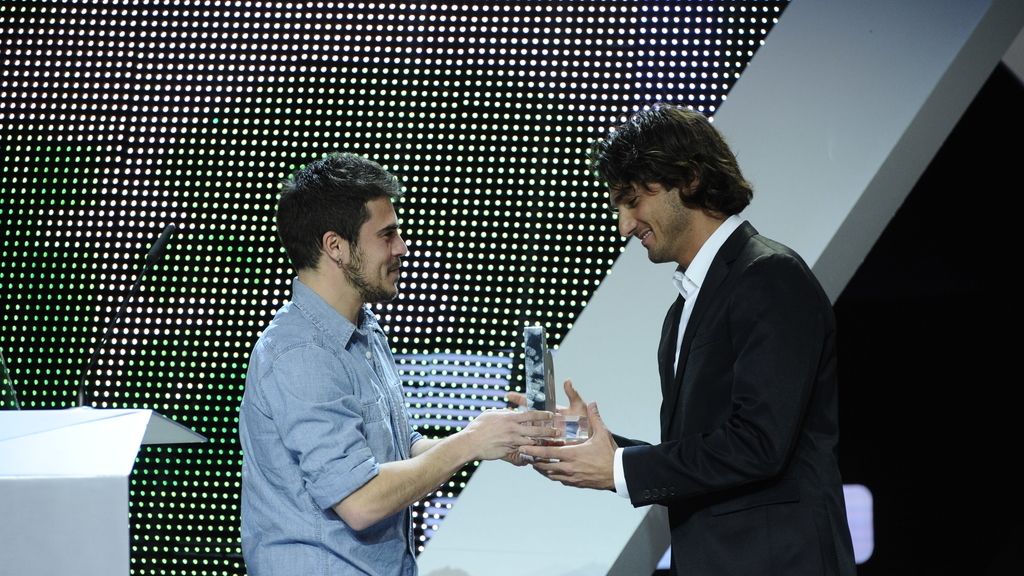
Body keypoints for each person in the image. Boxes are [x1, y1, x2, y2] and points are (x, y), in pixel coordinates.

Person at [515, 104, 857, 575]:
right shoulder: (685, 309)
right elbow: (703, 448)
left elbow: (758, 443)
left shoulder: (770, 277)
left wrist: (620, 471)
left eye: (633, 200)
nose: (625, 225)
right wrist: (595, 441)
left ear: (690, 179)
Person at [239, 152, 552, 576]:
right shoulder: (301, 353)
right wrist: (470, 443)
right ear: (337, 247)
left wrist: (494, 435)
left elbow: (398, 451)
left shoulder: (363, 329)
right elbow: (361, 501)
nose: (402, 248)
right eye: (387, 235)